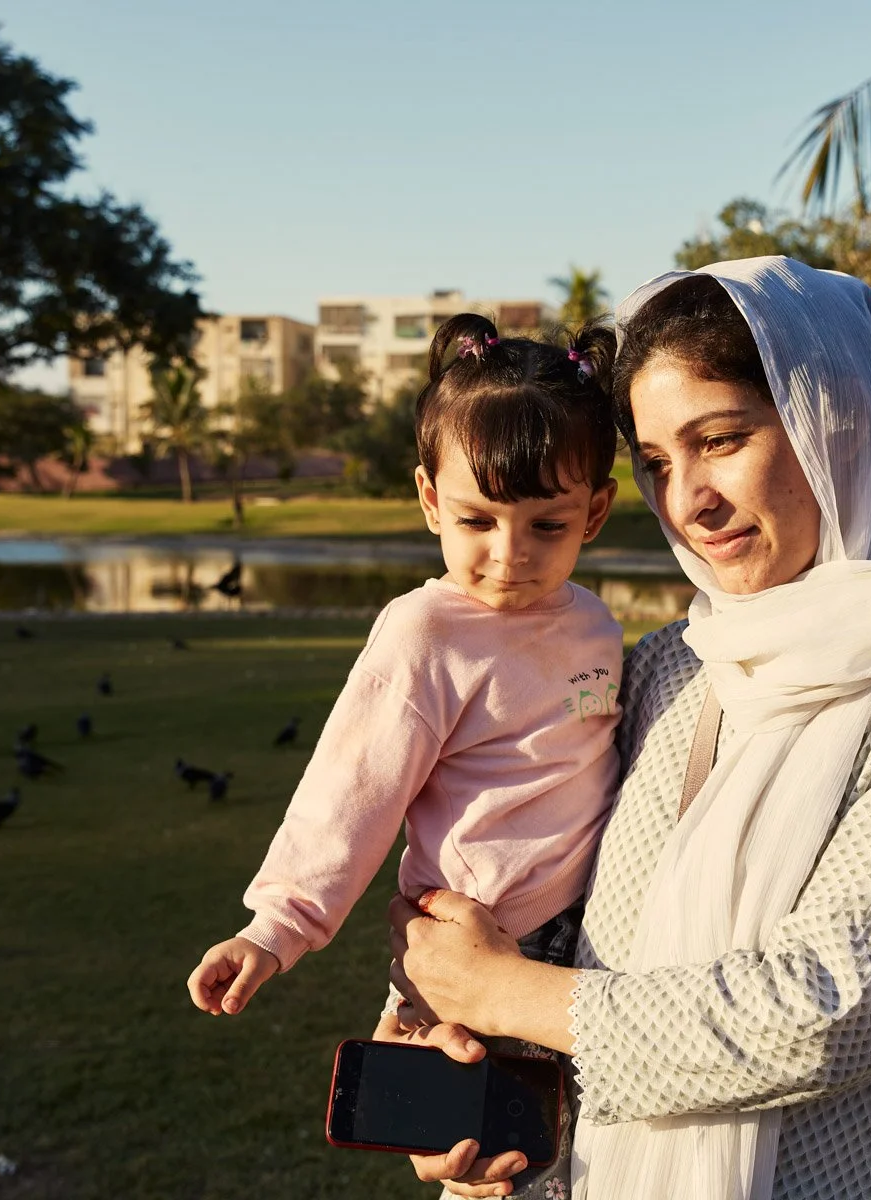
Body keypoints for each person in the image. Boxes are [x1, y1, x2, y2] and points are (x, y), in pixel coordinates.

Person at [385, 258, 871, 1199]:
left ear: (835, 421)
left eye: (720, 439)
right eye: (655, 463)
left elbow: (826, 1012)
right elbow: (528, 896)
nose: (688, 502)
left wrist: (503, 993)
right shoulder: (664, 665)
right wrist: (455, 1058)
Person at [187, 313, 626, 1194]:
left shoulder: (596, 622)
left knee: (594, 1157)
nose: (510, 556)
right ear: (429, 499)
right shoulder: (424, 632)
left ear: (598, 511)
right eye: (477, 520)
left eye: (548, 525)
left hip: (598, 945)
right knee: (487, 1170)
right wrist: (275, 928)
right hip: (473, 943)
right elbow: (351, 792)